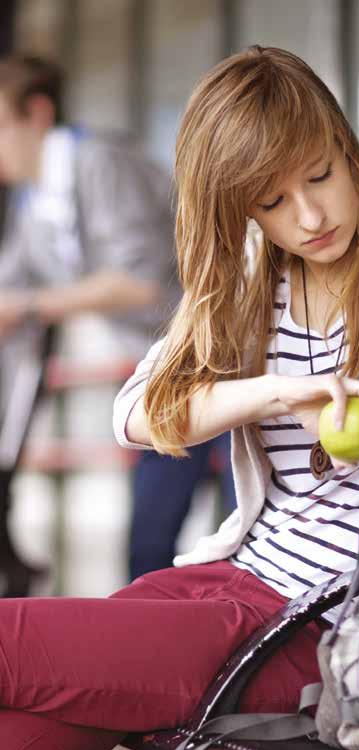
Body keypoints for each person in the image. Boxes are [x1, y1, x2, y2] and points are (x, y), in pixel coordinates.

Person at [0, 44, 359, 750]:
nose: (307, 216)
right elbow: (140, 412)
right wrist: (278, 391)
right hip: (233, 584)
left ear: (344, 141)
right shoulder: (248, 286)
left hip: (335, 619)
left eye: (320, 174)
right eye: (270, 200)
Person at [0, 54, 235, 590]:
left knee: (244, 530)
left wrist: (29, 307)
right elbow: (10, 284)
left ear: (37, 113)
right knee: (147, 545)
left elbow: (140, 286)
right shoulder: (34, 199)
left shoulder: (99, 162)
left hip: (226, 359)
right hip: (172, 371)